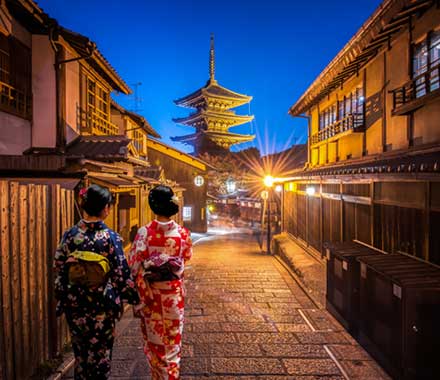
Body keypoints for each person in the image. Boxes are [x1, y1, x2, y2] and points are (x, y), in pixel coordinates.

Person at [53, 184, 140, 379]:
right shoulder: (110, 237)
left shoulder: (70, 235)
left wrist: (63, 294)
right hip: (102, 305)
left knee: (81, 354)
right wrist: (134, 299)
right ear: (105, 208)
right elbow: (120, 273)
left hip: (75, 304)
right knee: (100, 356)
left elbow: (58, 265)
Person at [129, 185, 193, 380]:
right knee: (173, 346)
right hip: (173, 297)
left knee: (156, 346)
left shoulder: (144, 233)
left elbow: (133, 265)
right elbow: (187, 257)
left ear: (152, 206)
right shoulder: (183, 234)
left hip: (151, 297)